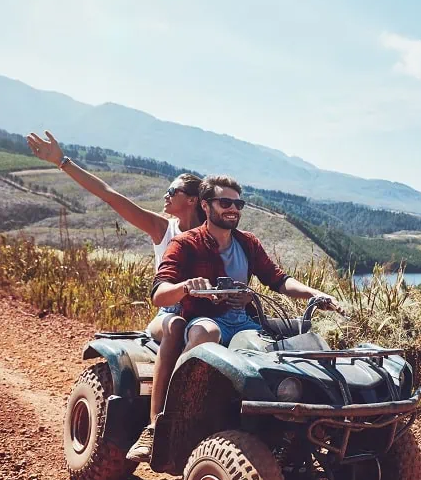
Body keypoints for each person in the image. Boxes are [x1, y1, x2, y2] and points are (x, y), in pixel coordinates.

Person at [125, 174, 341, 461]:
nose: (233, 209)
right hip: (202, 319)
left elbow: (278, 279)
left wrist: (314, 293)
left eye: (238, 204)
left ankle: (289, 425)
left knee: (281, 349)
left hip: (243, 323)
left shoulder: (248, 243)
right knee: (206, 334)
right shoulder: (186, 243)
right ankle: (171, 417)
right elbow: (159, 292)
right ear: (205, 205)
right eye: (225, 202)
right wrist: (186, 287)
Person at [24, 130, 205, 341]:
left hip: (205, 313)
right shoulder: (163, 229)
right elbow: (110, 195)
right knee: (178, 330)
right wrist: (62, 162)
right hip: (171, 313)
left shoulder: (212, 234)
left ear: (192, 200)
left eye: (172, 191)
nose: (166, 195)